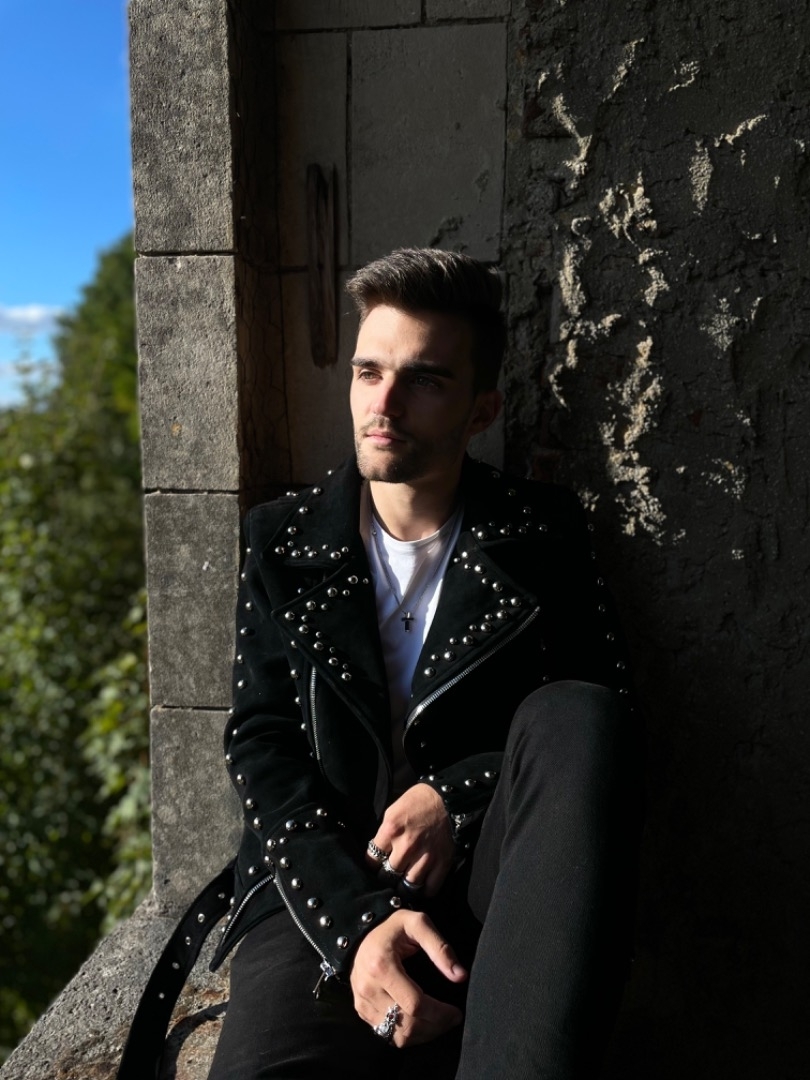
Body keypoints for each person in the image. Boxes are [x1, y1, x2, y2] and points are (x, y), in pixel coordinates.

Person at [204, 248, 643, 1079]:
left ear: (482, 411)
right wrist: (357, 927)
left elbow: (604, 726)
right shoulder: (280, 539)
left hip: (489, 884)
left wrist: (456, 797)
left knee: (578, 712)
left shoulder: (540, 533)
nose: (385, 403)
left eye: (425, 380)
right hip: (322, 886)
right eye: (368, 372)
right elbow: (261, 744)